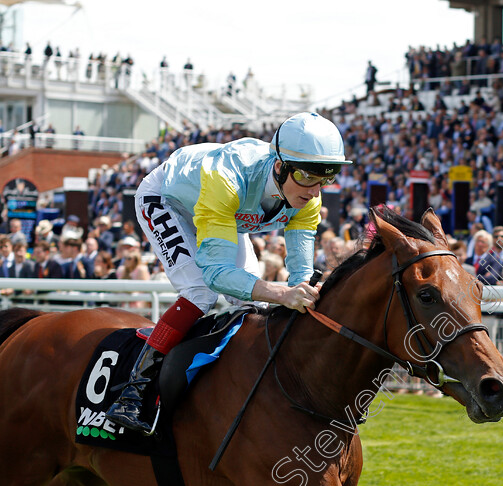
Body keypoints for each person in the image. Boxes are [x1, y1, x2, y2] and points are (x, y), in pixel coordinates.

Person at [106, 112, 353, 433]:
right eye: (308, 177)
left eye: (327, 178)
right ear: (280, 166)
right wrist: (281, 293)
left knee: (249, 305)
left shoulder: (307, 198)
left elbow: (300, 278)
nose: (315, 191)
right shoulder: (227, 178)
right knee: (201, 291)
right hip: (166, 199)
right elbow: (216, 275)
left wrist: (301, 293)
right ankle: (133, 391)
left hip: (225, 210)